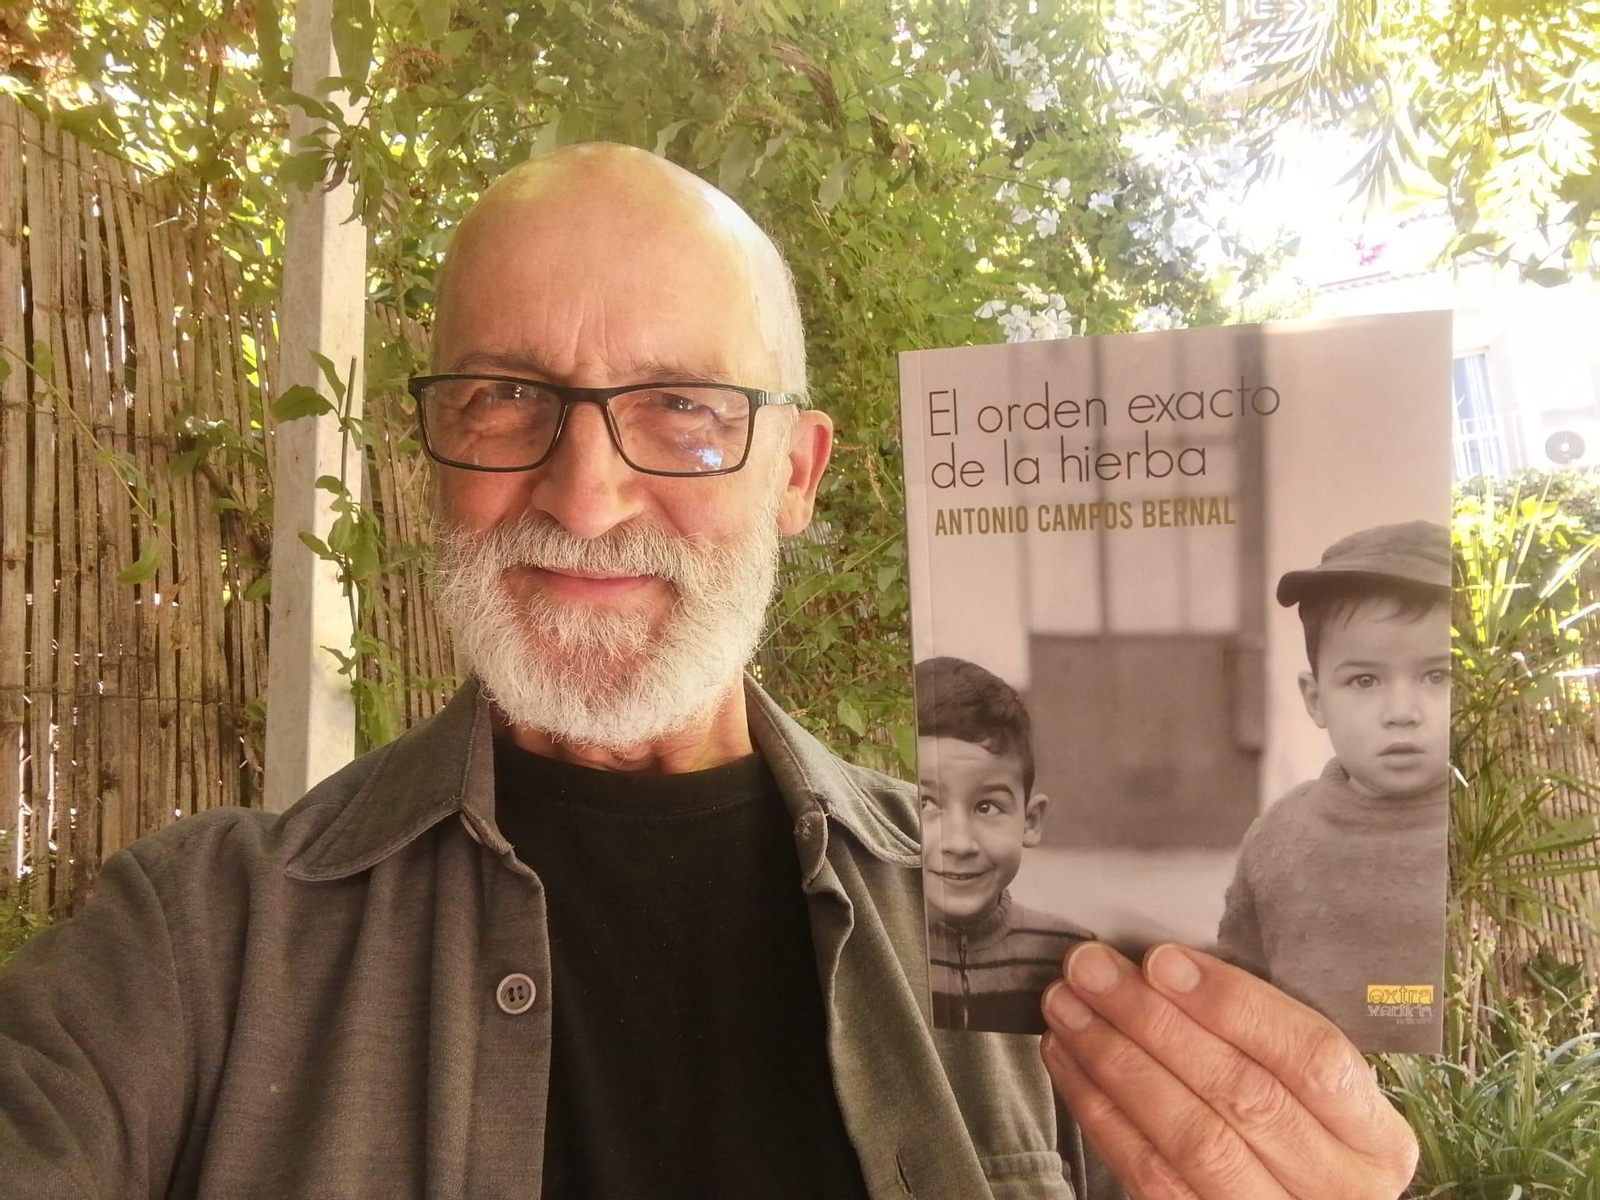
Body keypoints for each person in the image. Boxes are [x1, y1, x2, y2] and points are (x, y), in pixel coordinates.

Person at [0, 143, 1419, 1200]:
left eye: (682, 409)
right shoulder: (197, 943)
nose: (590, 494)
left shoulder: (1048, 937)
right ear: (431, 450)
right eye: (506, 397)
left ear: (796, 474)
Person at [1216, 521, 1451, 1054]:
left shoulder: (1503, 837)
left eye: (1438, 676)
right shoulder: (1279, 835)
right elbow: (1237, 988)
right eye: (1364, 680)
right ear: (1316, 698)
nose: (1402, 713)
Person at [917, 656, 1094, 1034]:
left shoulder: (1069, 957)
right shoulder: (871, 956)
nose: (960, 843)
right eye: (926, 803)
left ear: (1029, 821)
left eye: (987, 806)